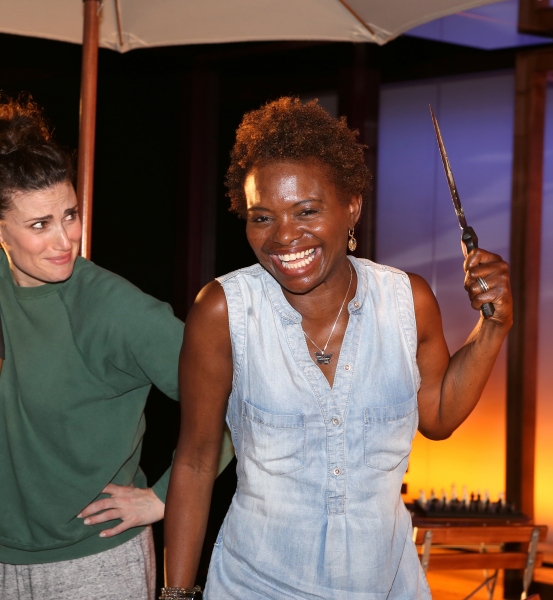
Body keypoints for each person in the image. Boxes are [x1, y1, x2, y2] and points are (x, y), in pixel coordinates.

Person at [163, 97, 512, 599]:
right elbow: (196, 461)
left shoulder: (405, 300)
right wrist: (175, 595)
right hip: (256, 586)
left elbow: (436, 416)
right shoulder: (223, 311)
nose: (284, 237)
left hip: (387, 586)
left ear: (352, 206)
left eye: (306, 211)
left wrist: (494, 330)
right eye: (262, 217)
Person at [0, 95, 233, 600]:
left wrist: (164, 498)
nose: (65, 240)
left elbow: (234, 401)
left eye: (70, 214)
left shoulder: (118, 311)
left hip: (94, 564)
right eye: (39, 225)